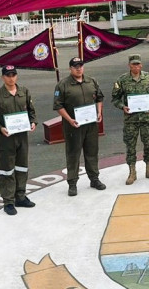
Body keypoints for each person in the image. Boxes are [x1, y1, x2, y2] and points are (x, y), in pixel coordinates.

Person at [0, 64, 37, 215]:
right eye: (8, 75)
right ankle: (8, 201)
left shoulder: (24, 92)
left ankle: (20, 196)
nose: (11, 78)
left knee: (22, 167)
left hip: (22, 137)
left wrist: (33, 122)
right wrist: (0, 128)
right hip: (6, 139)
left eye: (13, 74)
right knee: (7, 170)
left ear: (16, 76)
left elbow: (31, 111)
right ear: (2, 77)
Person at [53, 57, 106, 196]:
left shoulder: (91, 81)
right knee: (73, 154)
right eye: (75, 66)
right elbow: (58, 105)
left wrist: (99, 112)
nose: (78, 68)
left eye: (80, 66)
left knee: (92, 152)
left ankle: (94, 179)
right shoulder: (63, 85)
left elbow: (99, 98)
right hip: (73, 126)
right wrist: (69, 119)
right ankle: (72, 183)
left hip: (91, 124)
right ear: (70, 68)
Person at [112, 53, 149, 185]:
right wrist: (123, 106)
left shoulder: (148, 78)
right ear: (129, 65)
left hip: (147, 119)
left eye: (138, 64)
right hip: (131, 120)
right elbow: (115, 99)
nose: (136, 66)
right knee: (130, 146)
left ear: (141, 65)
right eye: (133, 64)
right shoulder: (122, 80)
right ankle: (132, 172)